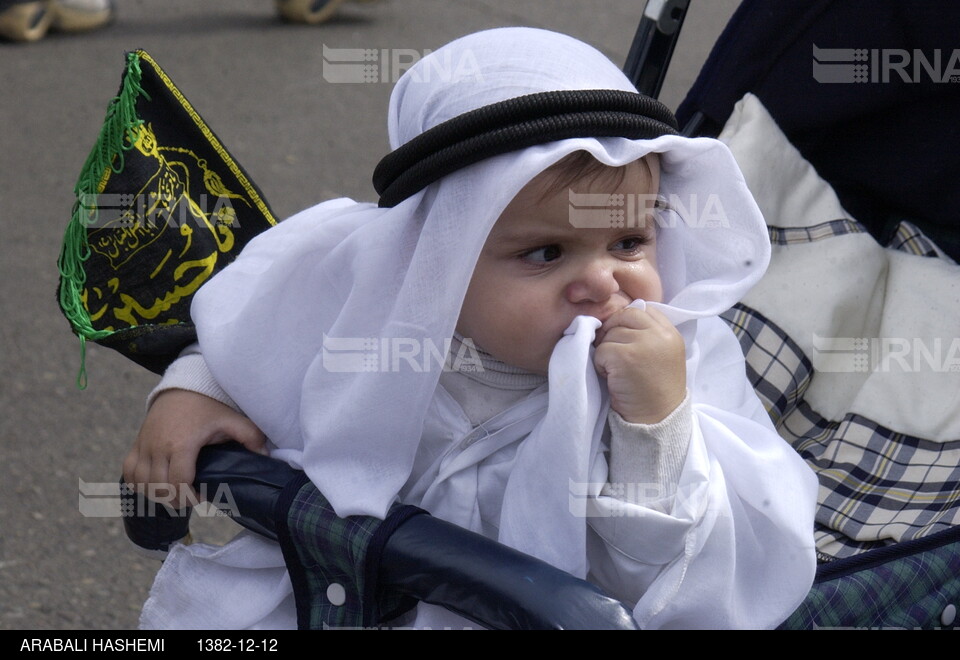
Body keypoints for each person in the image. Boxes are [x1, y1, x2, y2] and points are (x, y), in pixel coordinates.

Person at [124, 27, 819, 629]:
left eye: (630, 243)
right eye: (546, 253)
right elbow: (263, 328)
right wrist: (195, 389)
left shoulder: (673, 364)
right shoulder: (378, 310)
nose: (605, 282)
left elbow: (684, 585)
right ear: (438, 261)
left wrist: (655, 430)